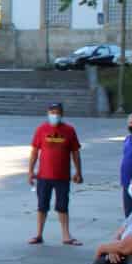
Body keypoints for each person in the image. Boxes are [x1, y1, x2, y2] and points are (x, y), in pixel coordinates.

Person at [28, 101, 84, 246]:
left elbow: (75, 153)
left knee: (63, 206)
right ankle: (38, 234)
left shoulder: (69, 130)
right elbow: (34, 151)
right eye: (52, 112)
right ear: (48, 113)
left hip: (62, 176)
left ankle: (66, 235)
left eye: (57, 112)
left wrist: (78, 172)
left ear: (62, 114)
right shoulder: (41, 129)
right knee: (42, 206)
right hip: (43, 176)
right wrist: (30, 171)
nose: (55, 115)